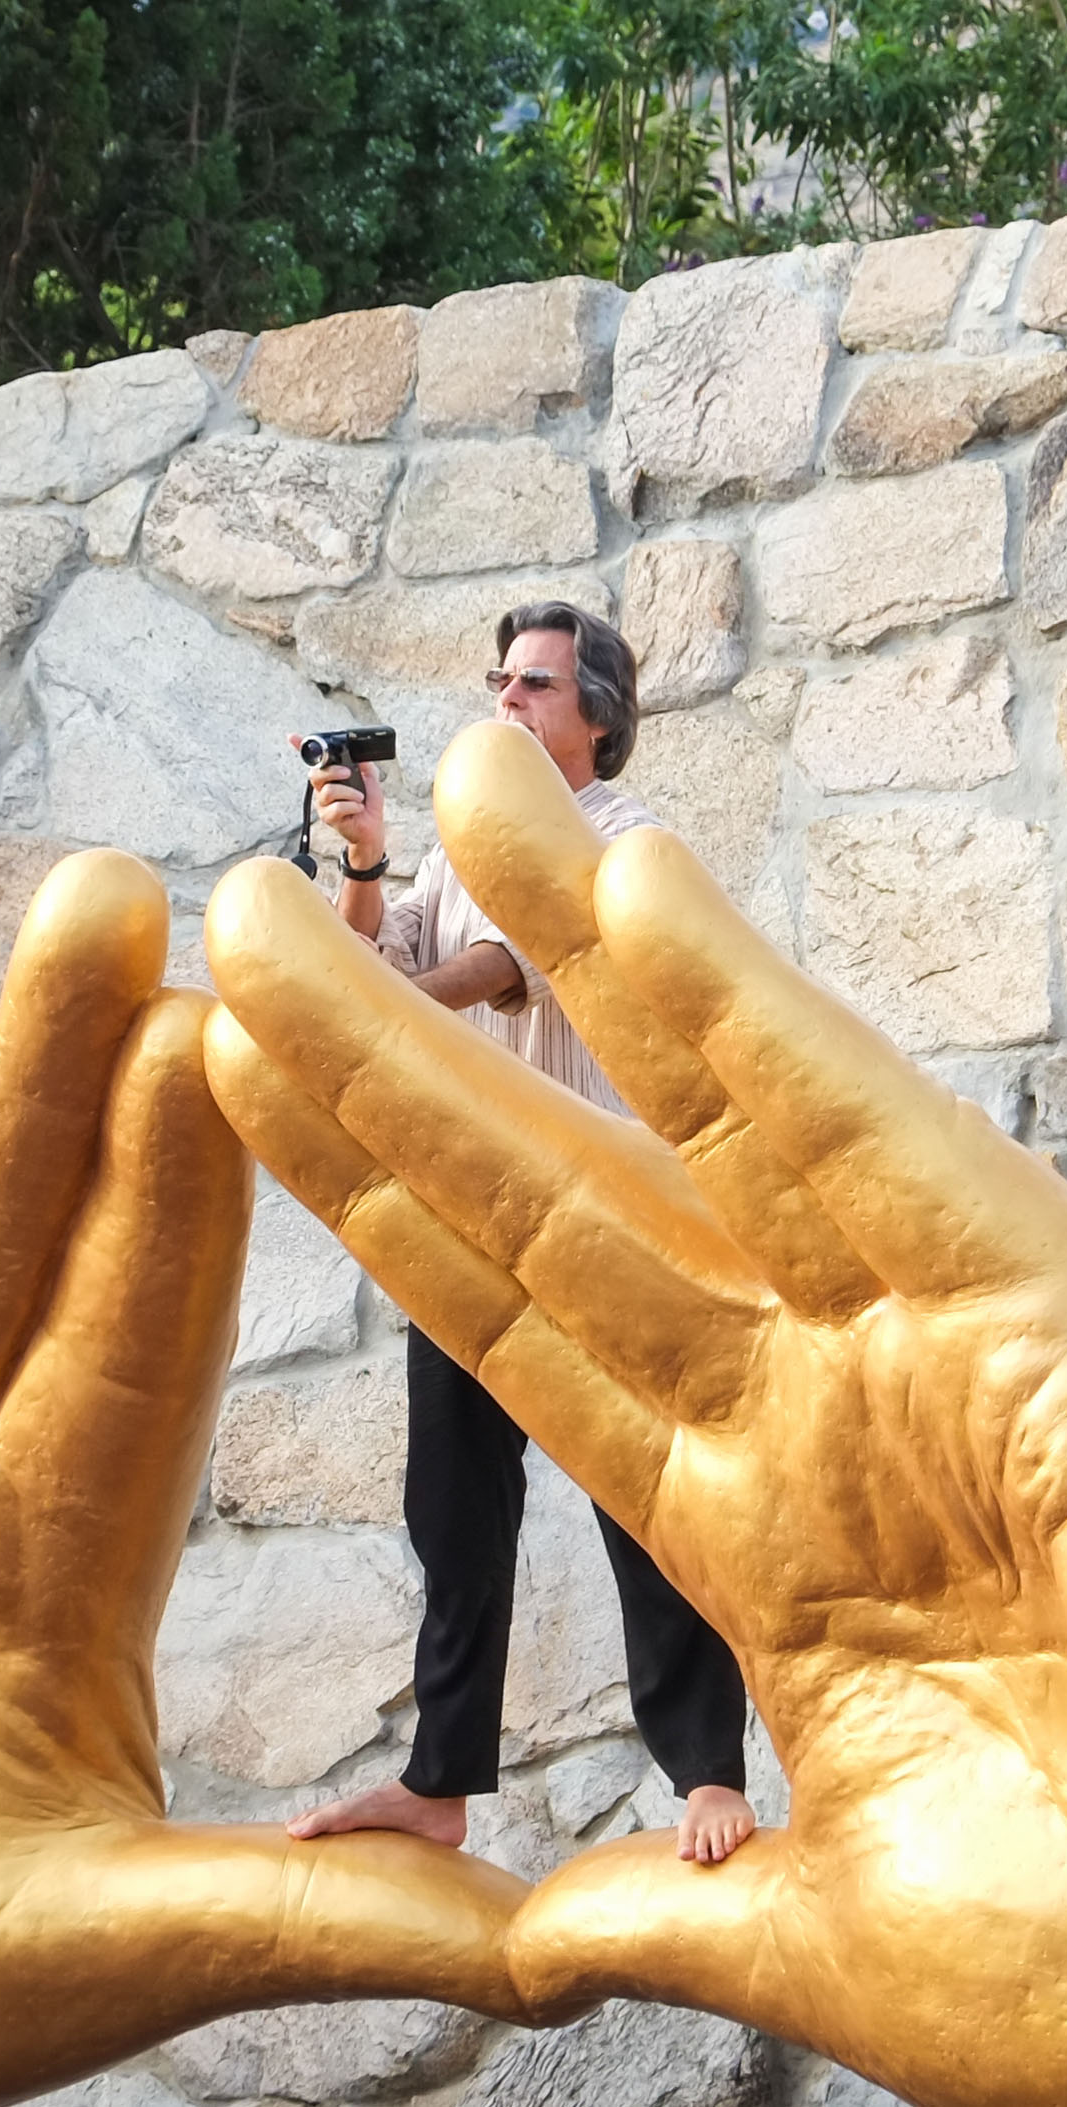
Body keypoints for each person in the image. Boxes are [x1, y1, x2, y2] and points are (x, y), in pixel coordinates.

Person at [282, 600, 759, 1868]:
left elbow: (508, 966)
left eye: (535, 683)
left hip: (597, 1209)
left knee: (641, 1492)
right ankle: (439, 1784)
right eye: (498, 680)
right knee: (450, 1505)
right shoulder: (452, 851)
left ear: (596, 715)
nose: (505, 699)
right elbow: (375, 971)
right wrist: (367, 868)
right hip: (470, 1212)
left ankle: (707, 1772)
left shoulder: (627, 838)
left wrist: (393, 1006)